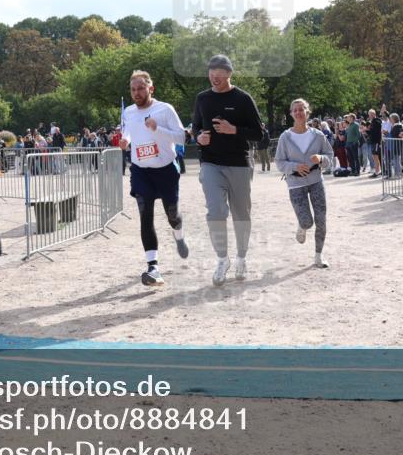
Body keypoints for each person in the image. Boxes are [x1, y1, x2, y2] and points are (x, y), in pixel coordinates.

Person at [192, 54, 264, 286]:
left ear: (229, 74)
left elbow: (260, 134)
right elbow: (195, 129)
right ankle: (222, 260)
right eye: (211, 74)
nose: (214, 78)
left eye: (219, 74)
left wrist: (234, 130)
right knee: (215, 212)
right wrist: (198, 137)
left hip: (239, 163)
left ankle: (241, 258)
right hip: (211, 163)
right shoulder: (202, 98)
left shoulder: (243, 99)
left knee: (241, 215)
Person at [121, 71, 189, 286]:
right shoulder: (129, 112)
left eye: (141, 88)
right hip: (141, 170)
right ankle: (153, 267)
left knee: (172, 215)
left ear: (151, 88)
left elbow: (182, 137)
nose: (137, 93)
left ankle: (178, 234)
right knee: (145, 215)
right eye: (133, 89)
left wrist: (157, 128)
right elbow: (130, 132)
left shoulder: (164, 109)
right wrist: (125, 140)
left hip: (165, 170)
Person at [275, 99, 334, 268]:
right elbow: (279, 162)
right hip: (295, 184)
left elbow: (329, 155)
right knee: (308, 222)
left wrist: (321, 158)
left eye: (302, 109)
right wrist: (294, 166)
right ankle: (302, 226)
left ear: (308, 113)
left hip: (316, 181)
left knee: (321, 219)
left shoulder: (318, 135)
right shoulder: (285, 137)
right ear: (291, 113)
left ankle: (318, 255)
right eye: (295, 110)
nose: (299, 113)